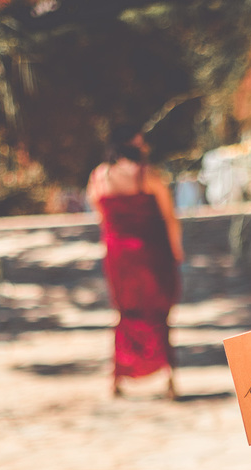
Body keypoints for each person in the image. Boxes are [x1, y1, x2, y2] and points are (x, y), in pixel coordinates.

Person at [86, 124, 184, 399]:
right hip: (151, 254)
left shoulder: (99, 177)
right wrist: (177, 251)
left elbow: (99, 213)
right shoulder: (149, 176)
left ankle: (117, 378)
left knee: (124, 314)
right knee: (159, 315)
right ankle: (169, 378)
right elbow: (169, 217)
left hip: (119, 256)